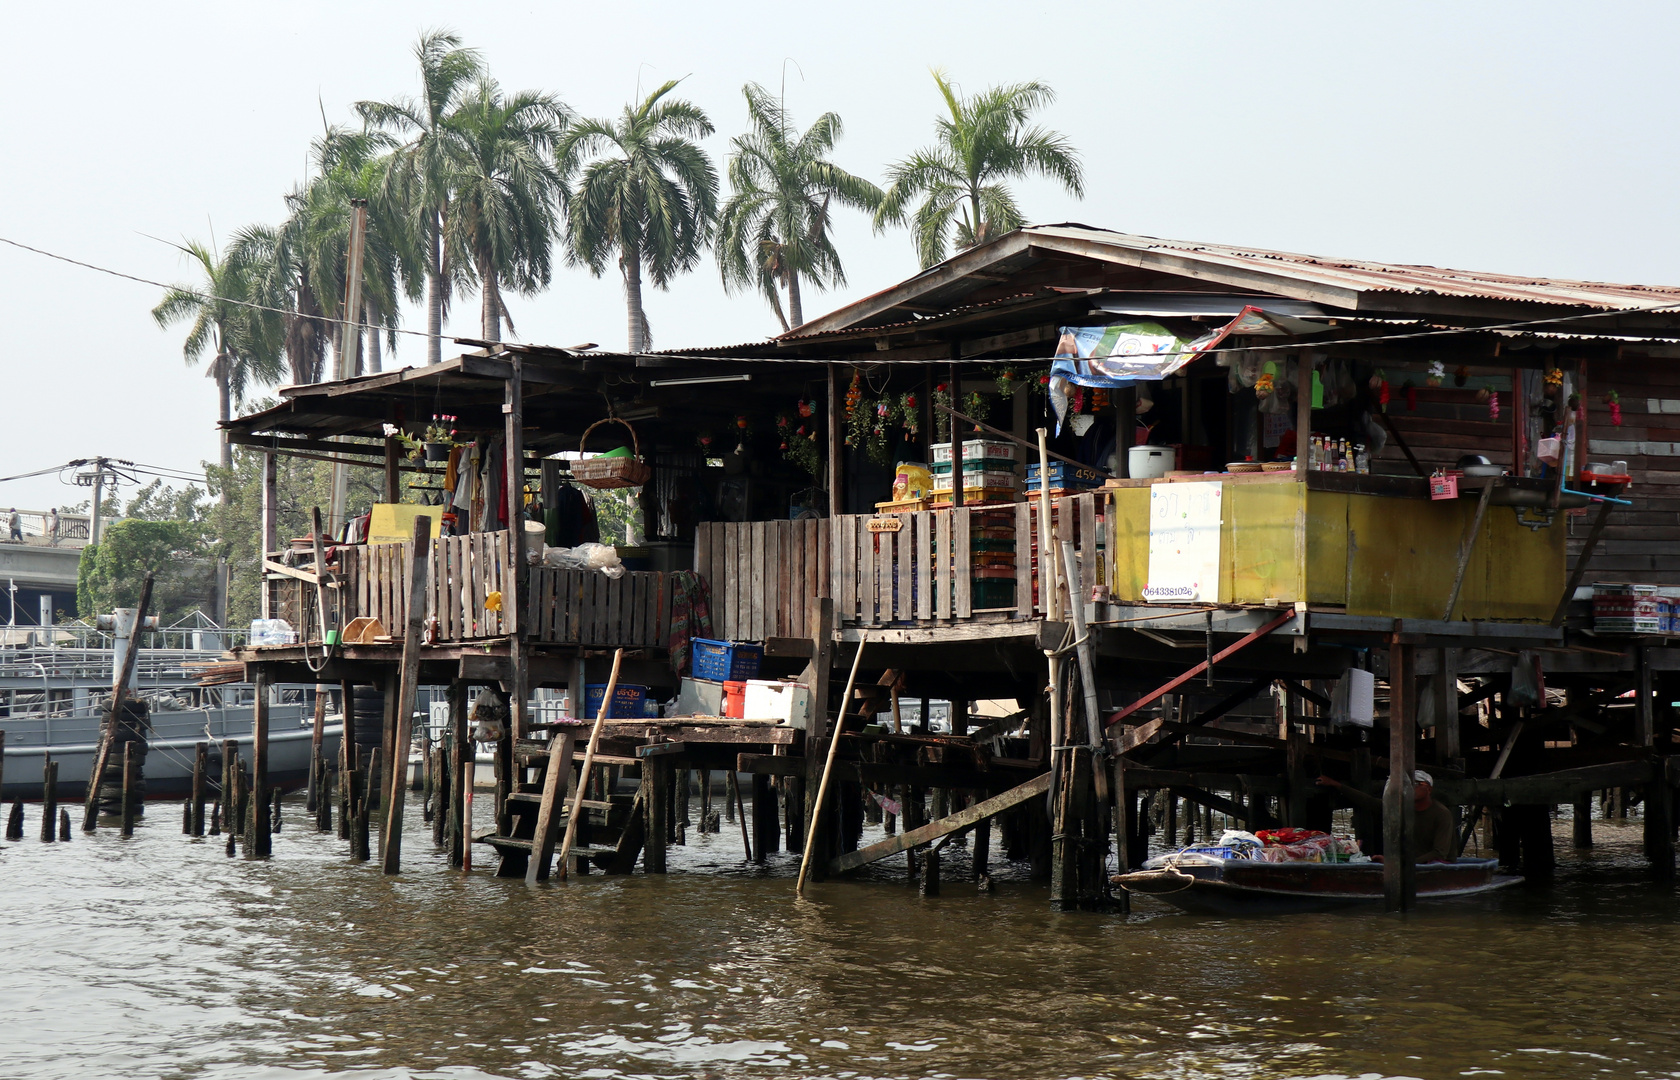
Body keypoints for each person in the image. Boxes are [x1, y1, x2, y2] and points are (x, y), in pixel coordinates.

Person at [1317, 769, 1457, 863]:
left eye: (1417, 784)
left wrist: (1397, 863)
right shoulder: (1402, 808)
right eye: (1408, 785)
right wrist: (1336, 785)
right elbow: (1369, 802)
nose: (1411, 788)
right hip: (1409, 862)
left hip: (1434, 864)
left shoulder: (1441, 814)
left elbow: (1439, 853)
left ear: (1429, 789)